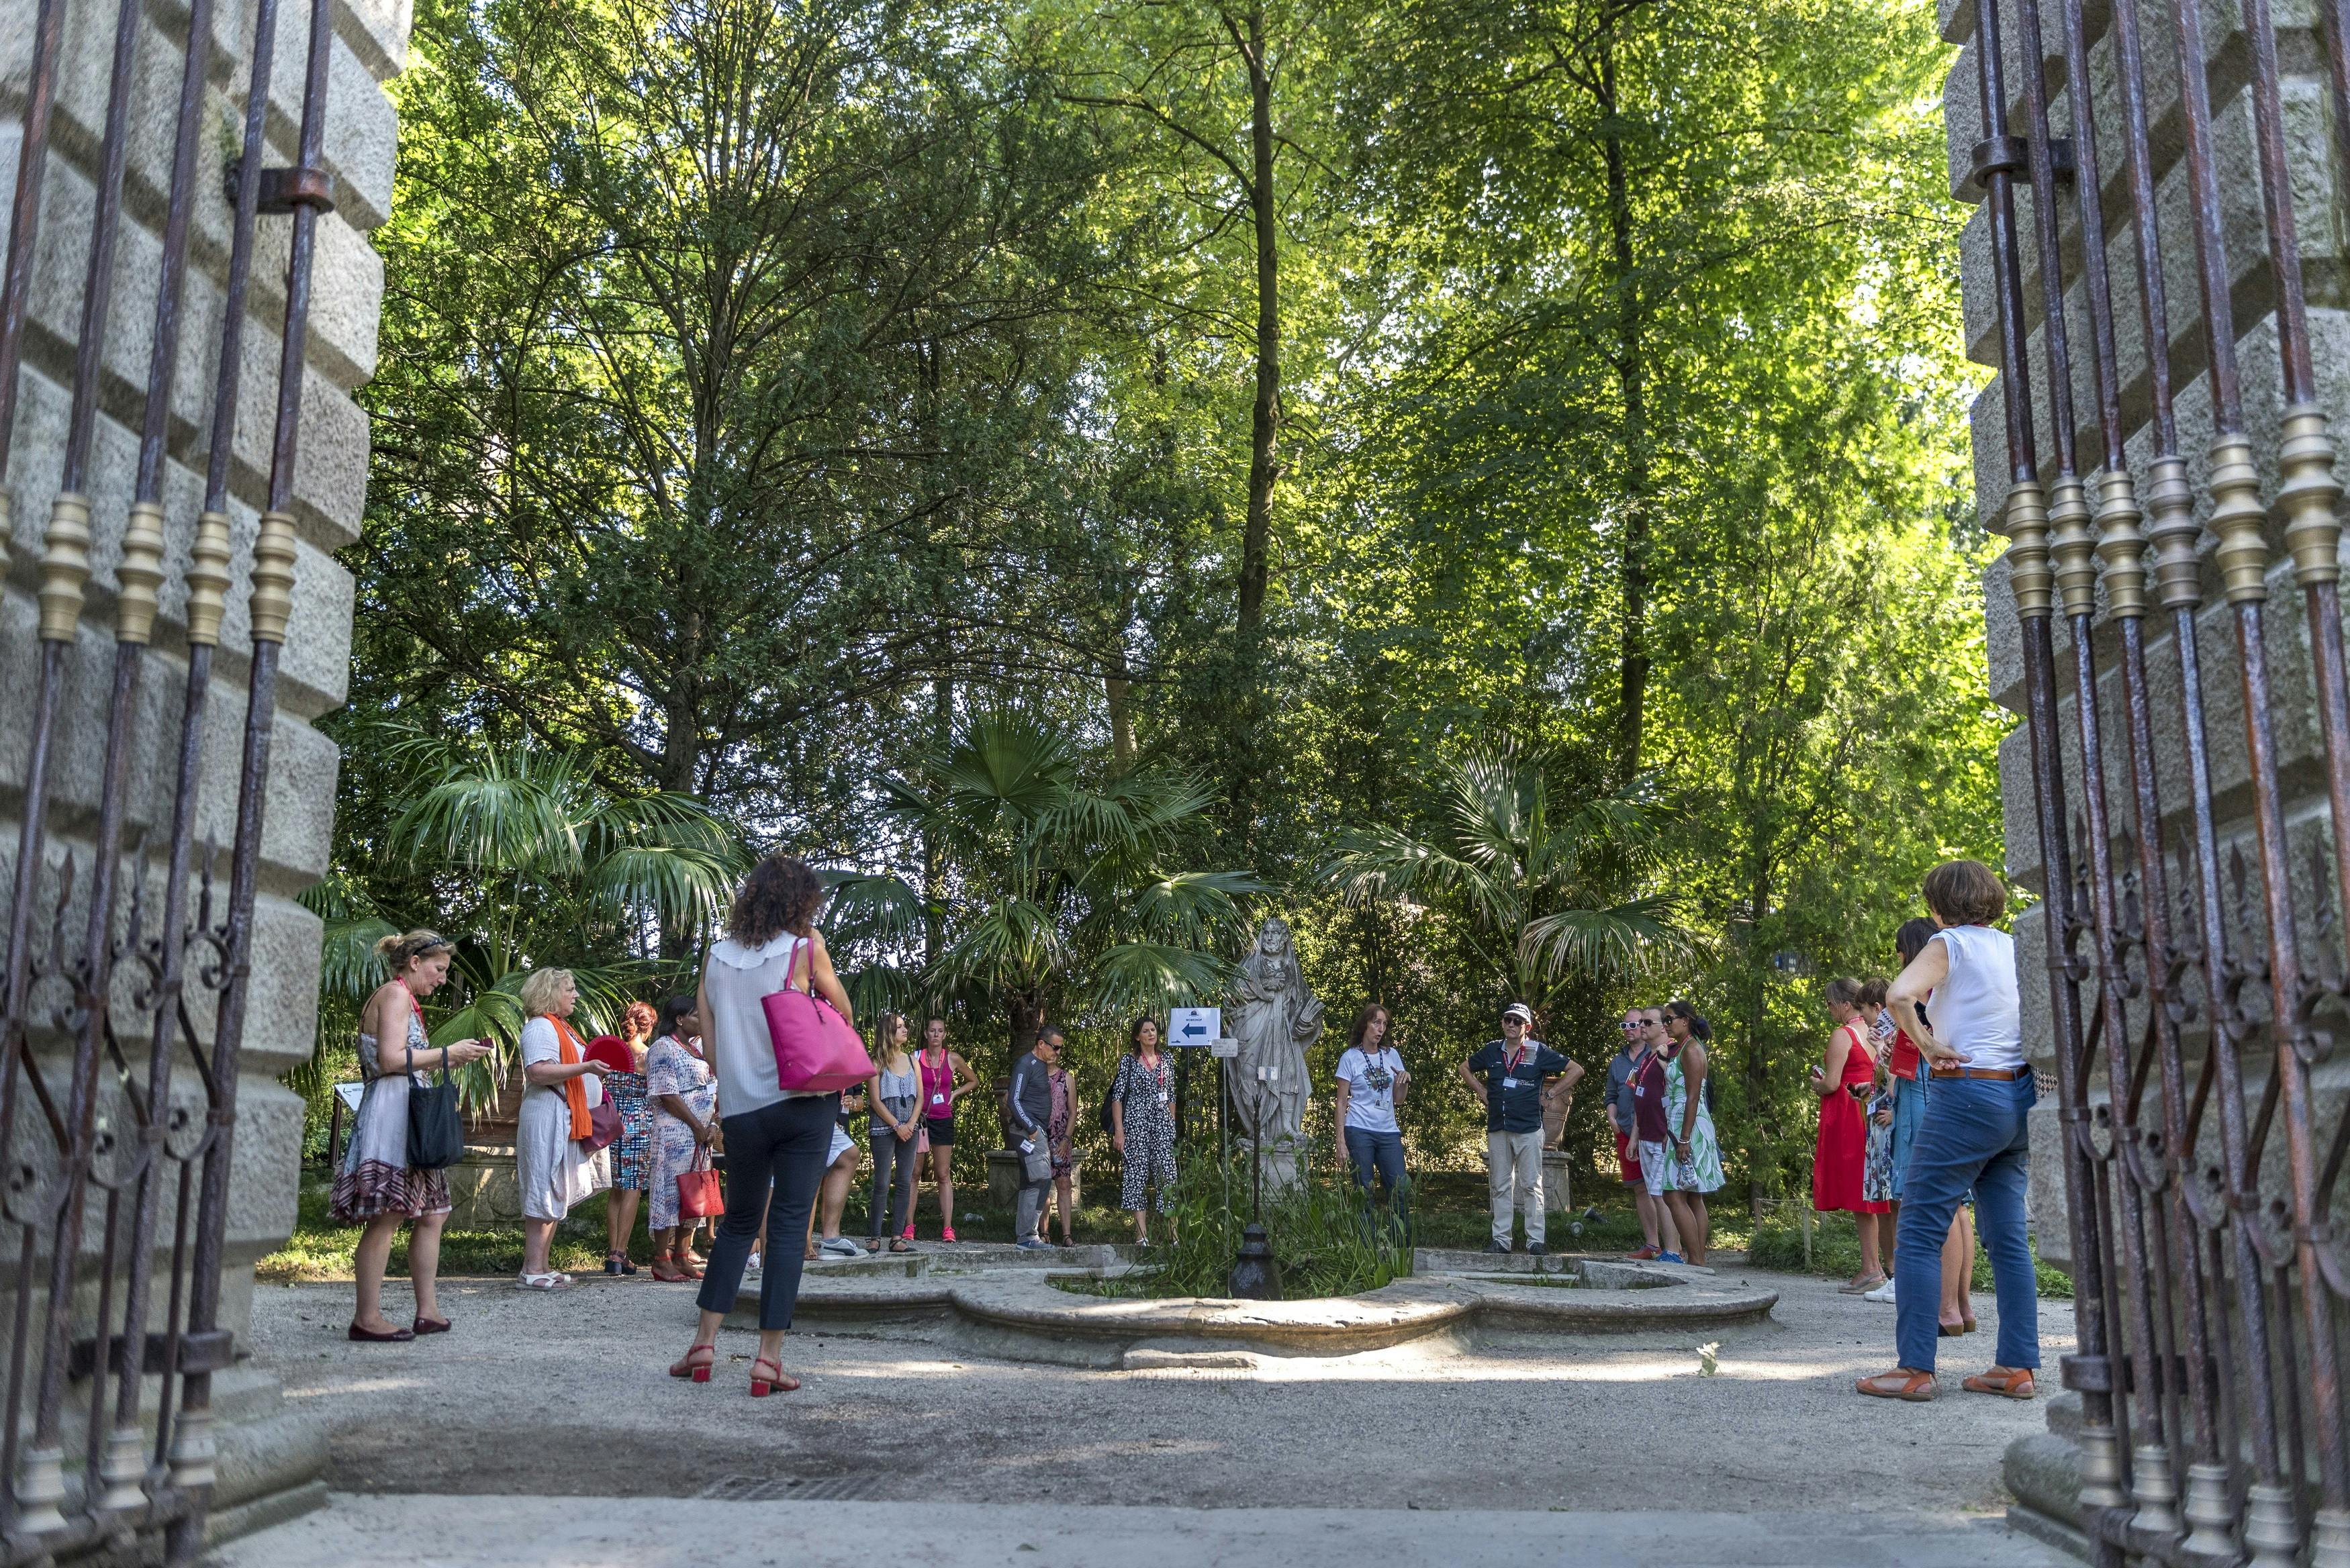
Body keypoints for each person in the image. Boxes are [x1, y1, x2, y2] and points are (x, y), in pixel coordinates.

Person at [667, 854, 852, 1397]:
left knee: (739, 1224)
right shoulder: (804, 947)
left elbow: (715, 1047)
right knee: (790, 1225)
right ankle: (768, 1360)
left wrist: (731, 1096)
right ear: (801, 901)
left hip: (743, 1108)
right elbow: (843, 1013)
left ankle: (703, 1343)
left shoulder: (716, 957)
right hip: (803, 1101)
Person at [1860, 860, 2037, 1402]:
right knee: (2008, 1237)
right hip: (2020, 1095)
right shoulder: (2013, 945)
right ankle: (2016, 1366)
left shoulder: (1949, 943)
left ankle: (1915, 1368)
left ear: (1938, 907)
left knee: (1918, 1228)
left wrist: (1931, 1044)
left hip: (1969, 1092)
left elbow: (1897, 995)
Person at [334, 930, 493, 1340]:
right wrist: (448, 1053)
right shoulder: (396, 995)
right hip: (392, 1114)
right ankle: (366, 1318)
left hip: (408, 1111)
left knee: (432, 1213)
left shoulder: (404, 997)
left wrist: (450, 1058)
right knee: (388, 1216)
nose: (442, 978)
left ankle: (428, 1311)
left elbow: (407, 1059)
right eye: (439, 970)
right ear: (415, 962)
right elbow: (390, 1059)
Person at [1862, 919, 1977, 1330]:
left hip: (1922, 1091)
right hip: (1948, 1087)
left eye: (1898, 949)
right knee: (1957, 1205)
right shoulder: (1952, 985)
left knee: (1932, 1200)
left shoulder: (1917, 991)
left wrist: (1883, 1044)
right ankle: (1962, 1306)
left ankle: (1943, 1310)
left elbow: (1887, 1043)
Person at [515, 968, 612, 1290]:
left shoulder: (561, 1027)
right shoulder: (541, 1026)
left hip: (564, 1115)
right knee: (544, 1186)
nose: (576, 995)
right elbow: (539, 1072)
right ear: (550, 992)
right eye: (570, 989)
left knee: (555, 1187)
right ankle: (531, 1270)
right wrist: (586, 1067)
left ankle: (540, 1265)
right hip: (548, 1114)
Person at [1461, 1003, 1580, 1255]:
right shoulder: (1493, 1050)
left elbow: (1576, 1070)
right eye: (1507, 1020)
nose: (1511, 1025)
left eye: (1517, 1021)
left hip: (1528, 1128)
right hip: (1499, 1127)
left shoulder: (1538, 1051)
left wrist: (1551, 1093)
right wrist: (1481, 1090)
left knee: (1531, 1184)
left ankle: (1536, 1241)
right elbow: (1464, 1068)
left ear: (1528, 1026)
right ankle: (1501, 1241)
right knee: (1501, 1185)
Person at [1812, 977, 1888, 1293]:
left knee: (1862, 1197)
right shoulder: (1875, 1031)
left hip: (1849, 1113)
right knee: (1877, 1196)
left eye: (1830, 1003)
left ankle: (1871, 1268)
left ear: (1844, 1004)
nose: (1829, 1010)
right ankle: (1885, 1267)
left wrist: (1815, 1081)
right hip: (1873, 1111)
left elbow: (1832, 1084)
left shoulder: (1843, 1035)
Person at [646, 994, 715, 1281]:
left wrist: (710, 1125)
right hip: (674, 1132)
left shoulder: (697, 1050)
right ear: (679, 1019)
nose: (702, 1020)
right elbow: (667, 1094)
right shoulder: (663, 1047)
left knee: (695, 1193)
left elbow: (712, 1088)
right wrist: (696, 1125)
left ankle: (683, 1256)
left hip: (701, 1135)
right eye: (697, 1016)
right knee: (669, 1192)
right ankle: (662, 1260)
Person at [585, 1002, 657, 1275]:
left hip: (611, 1121)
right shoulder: (649, 1057)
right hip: (639, 1123)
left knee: (616, 1187)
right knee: (633, 1187)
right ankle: (620, 1252)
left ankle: (612, 1253)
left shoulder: (609, 1052)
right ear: (647, 1027)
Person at [1659, 1001, 1726, 1265]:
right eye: (1664, 1020)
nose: (1666, 1024)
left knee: (1673, 1194)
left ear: (1685, 1020)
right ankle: (1699, 1261)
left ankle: (1697, 1261)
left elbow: (1693, 1097)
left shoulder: (1692, 1050)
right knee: (1692, 1194)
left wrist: (1684, 1138)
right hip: (1681, 1124)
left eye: (1669, 1019)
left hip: (1690, 1126)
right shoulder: (1683, 1048)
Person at [1111, 1017, 1178, 1244]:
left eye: (1153, 1030)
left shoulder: (1167, 1059)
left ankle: (1174, 1236)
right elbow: (1117, 1098)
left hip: (1162, 1126)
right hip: (1136, 1124)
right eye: (1146, 1031)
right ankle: (1142, 1237)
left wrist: (1171, 1124)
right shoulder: (1129, 1061)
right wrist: (1119, 1131)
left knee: (1167, 1177)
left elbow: (1171, 1095)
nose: (1151, 1034)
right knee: (1136, 1176)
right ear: (1137, 1036)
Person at [1333, 1004, 1409, 1202]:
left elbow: (1399, 1100)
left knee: (1399, 1189)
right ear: (1365, 1025)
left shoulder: (1391, 1055)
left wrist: (1404, 1081)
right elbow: (1341, 1102)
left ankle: (1399, 1234)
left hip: (1388, 1131)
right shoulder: (1350, 1058)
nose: (1381, 1028)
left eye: (1384, 1024)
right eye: (1377, 1023)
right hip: (1359, 1130)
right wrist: (1340, 1142)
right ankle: (1367, 1234)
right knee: (1364, 1191)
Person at [1628, 1007, 1686, 1263]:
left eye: (1647, 1022)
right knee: (1655, 1193)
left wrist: (1669, 1132)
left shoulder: (1671, 1053)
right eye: (1640, 1022)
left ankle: (1674, 1251)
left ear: (1664, 1026)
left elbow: (1678, 1094)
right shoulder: (1646, 1058)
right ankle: (1665, 1249)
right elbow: (1640, 1097)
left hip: (1664, 1137)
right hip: (1646, 1136)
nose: (1641, 1026)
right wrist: (1634, 1137)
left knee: (1665, 1194)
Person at [1607, 1008, 1664, 1259]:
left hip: (1652, 1132)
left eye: (1633, 1025)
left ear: (1643, 1026)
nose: (1629, 1030)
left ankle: (1673, 1246)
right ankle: (1652, 1244)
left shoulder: (1655, 1055)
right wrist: (1611, 1116)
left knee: (1661, 1189)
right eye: (1624, 1026)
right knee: (1640, 1188)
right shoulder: (1617, 1062)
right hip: (1626, 1130)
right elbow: (1611, 1095)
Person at [912, 1019, 973, 1243]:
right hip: (920, 1120)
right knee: (914, 1174)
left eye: (940, 1031)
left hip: (943, 1119)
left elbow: (973, 1080)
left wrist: (955, 1094)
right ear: (926, 1033)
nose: (936, 1035)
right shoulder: (915, 1058)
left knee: (943, 1174)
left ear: (945, 1034)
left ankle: (948, 1228)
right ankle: (909, 1226)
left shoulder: (952, 1058)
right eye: (932, 1031)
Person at [866, 1014, 920, 1253]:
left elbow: (920, 1097)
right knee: (882, 1183)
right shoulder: (876, 1062)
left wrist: (910, 1124)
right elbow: (875, 1101)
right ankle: (874, 1236)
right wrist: (897, 1126)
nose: (905, 1030)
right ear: (889, 1032)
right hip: (883, 1128)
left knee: (904, 1182)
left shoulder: (912, 1060)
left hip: (910, 1128)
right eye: (899, 1027)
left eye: (904, 1026)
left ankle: (897, 1237)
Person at [1008, 1026, 1062, 1251]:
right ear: (1041, 1044)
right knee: (1041, 1178)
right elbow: (1014, 1101)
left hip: (1035, 1132)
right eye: (1055, 1047)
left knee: (1032, 1181)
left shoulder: (1040, 1066)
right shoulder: (1025, 1064)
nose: (1058, 1052)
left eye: (1060, 1048)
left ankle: (1025, 1237)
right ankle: (1029, 1236)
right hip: (1026, 1133)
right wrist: (1032, 1129)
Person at [807, 1081, 867, 1261]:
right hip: (810, 1111)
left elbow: (859, 1099)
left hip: (831, 1118)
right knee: (811, 1180)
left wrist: (855, 1104)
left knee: (849, 1155)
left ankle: (831, 1241)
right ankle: (802, 1243)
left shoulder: (849, 1063)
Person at [1043, 1046, 1078, 1247]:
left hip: (1061, 1139)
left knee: (1064, 1183)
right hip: (1039, 1138)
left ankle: (1066, 1234)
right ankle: (1044, 1232)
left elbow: (1072, 1112)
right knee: (1042, 1184)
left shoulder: (1067, 1078)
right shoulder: (1034, 1076)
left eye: (1056, 1050)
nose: (1052, 1053)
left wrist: (1066, 1138)